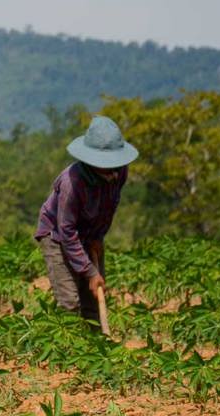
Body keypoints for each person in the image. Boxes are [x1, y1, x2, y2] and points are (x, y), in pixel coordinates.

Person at [34, 115, 138, 329]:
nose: (112, 169)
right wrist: (90, 271)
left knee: (93, 297)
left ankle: (96, 351)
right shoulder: (72, 184)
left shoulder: (120, 172)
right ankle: (68, 355)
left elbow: (108, 208)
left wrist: (97, 238)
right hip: (57, 236)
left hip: (91, 233)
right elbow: (67, 232)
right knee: (70, 303)